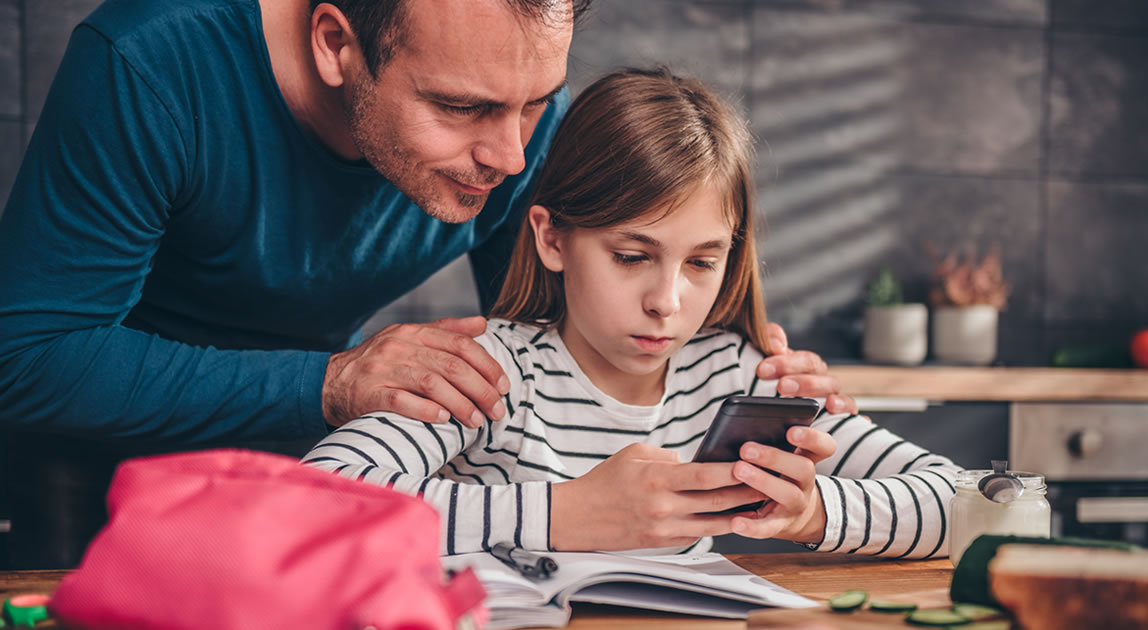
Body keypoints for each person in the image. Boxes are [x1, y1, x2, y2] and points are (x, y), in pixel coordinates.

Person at [0, 0, 851, 568]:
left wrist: (725, 364)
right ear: (337, 46)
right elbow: (26, 357)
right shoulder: (151, 65)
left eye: (536, 106)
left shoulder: (506, 110)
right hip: (97, 487)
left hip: (348, 496)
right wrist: (331, 382)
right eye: (462, 109)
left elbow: (554, 337)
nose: (515, 159)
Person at [303, 68, 961, 558]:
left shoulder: (738, 374)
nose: (667, 302)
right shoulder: (491, 372)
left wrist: (812, 513)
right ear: (552, 238)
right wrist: (564, 514)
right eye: (630, 256)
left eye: (702, 262)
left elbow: (971, 504)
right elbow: (313, 502)